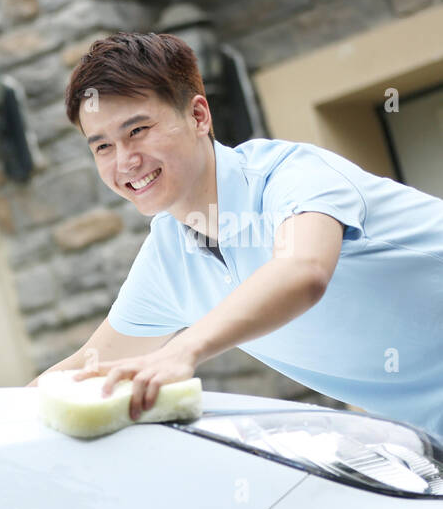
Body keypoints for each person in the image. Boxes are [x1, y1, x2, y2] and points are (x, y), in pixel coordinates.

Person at [28, 32, 443, 443]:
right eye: (102, 147)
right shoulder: (168, 257)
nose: (125, 161)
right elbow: (88, 363)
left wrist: (182, 349)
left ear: (198, 116)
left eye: (137, 130)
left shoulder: (292, 175)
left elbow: (303, 271)